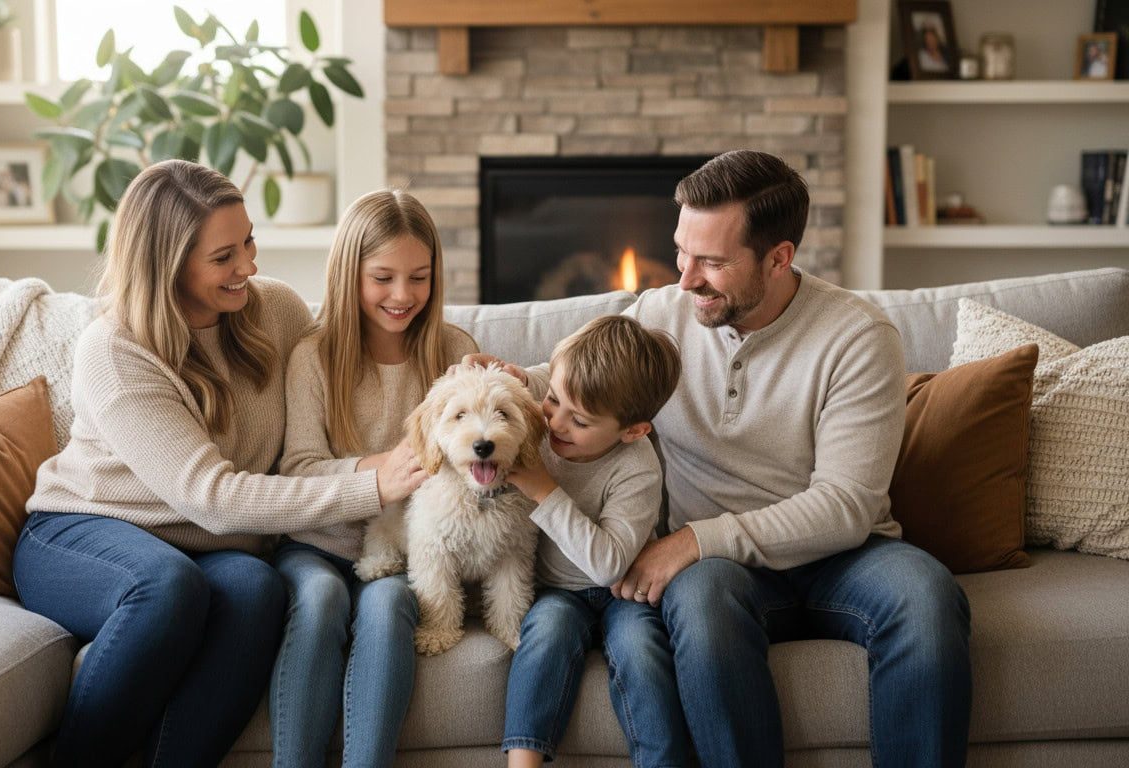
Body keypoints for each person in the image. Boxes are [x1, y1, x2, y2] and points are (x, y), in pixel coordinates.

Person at [475, 150, 972, 767]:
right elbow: (580, 383)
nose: (684, 279)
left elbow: (847, 506)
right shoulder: (664, 313)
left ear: (778, 258)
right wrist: (503, 381)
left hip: (842, 557)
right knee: (702, 603)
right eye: (682, 251)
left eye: (711, 261)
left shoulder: (857, 338)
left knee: (925, 594)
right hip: (723, 573)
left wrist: (691, 540)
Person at [12, 160, 427, 767]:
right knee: (167, 587)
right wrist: (373, 483)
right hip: (82, 532)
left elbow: (351, 372)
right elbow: (212, 497)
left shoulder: (276, 311)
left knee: (258, 588)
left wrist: (512, 381)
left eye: (249, 242)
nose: (250, 268)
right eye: (224, 257)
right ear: (168, 262)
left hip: (206, 546)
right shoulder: (114, 352)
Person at [271, 189, 477, 768]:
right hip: (320, 544)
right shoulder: (313, 357)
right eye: (382, 277)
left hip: (410, 548)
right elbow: (298, 469)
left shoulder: (453, 350)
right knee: (318, 598)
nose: (403, 295)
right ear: (348, 274)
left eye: (419, 277)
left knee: (387, 608)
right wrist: (380, 470)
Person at [499, 315, 684, 768]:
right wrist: (519, 382)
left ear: (633, 430)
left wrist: (544, 489)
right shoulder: (541, 424)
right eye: (552, 400)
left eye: (578, 421)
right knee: (543, 638)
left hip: (623, 592)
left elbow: (609, 564)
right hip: (557, 592)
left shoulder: (637, 466)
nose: (556, 423)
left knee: (642, 652)